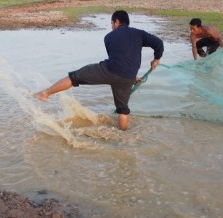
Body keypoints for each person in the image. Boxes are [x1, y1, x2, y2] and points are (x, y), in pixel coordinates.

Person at [34, 10, 164, 131]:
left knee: (74, 77)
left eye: (112, 23)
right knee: (123, 110)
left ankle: (45, 94)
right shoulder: (139, 34)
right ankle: (125, 138)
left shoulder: (109, 37)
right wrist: (156, 59)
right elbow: (158, 44)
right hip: (127, 78)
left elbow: (116, 59)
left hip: (109, 70)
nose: (112, 26)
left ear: (117, 21)